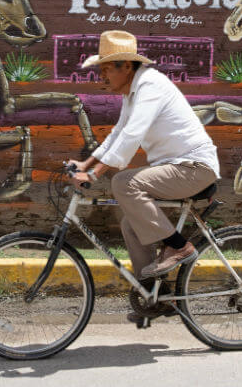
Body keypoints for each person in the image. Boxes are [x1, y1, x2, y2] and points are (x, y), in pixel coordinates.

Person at [68, 30, 220, 323]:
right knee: (131, 222)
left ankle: (179, 246)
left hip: (194, 167)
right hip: (177, 167)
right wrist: (85, 163)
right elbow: (118, 134)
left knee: (124, 182)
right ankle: (153, 296)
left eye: (106, 69)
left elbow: (133, 134)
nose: (101, 77)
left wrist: (96, 173)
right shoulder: (133, 91)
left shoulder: (151, 85)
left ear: (126, 65)